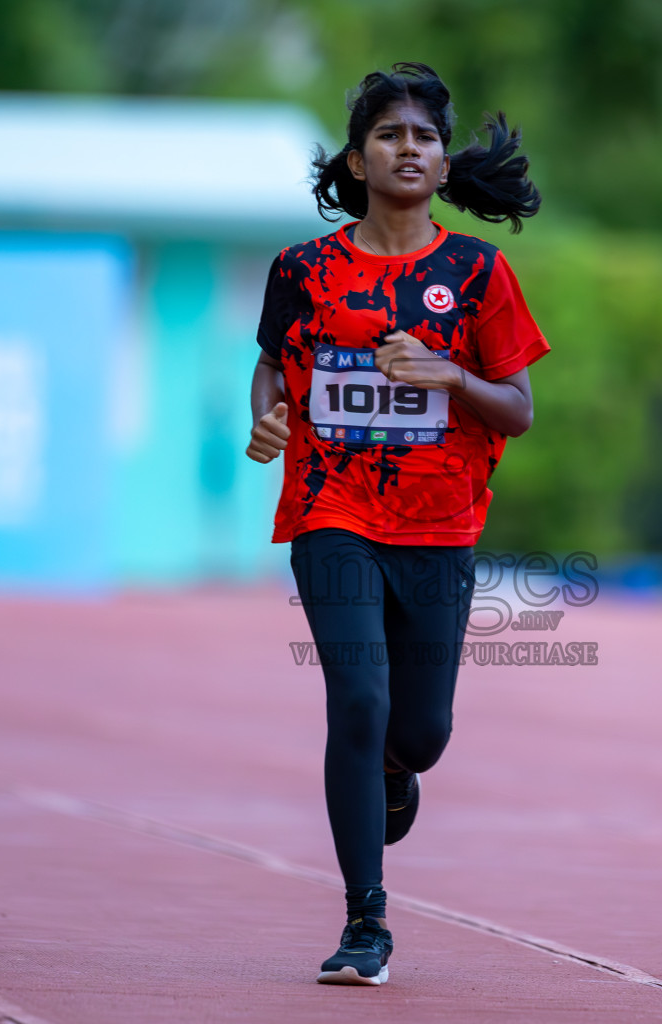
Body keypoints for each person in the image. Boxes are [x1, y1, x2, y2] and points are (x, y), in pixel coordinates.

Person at [245, 62, 547, 986]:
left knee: (418, 733)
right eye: (389, 134)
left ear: (445, 162)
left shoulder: (477, 271)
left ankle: (396, 775)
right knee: (360, 701)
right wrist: (266, 414)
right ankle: (365, 921)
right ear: (357, 156)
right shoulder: (303, 269)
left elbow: (520, 408)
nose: (407, 148)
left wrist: (452, 377)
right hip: (331, 512)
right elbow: (273, 366)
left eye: (423, 136)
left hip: (439, 522)